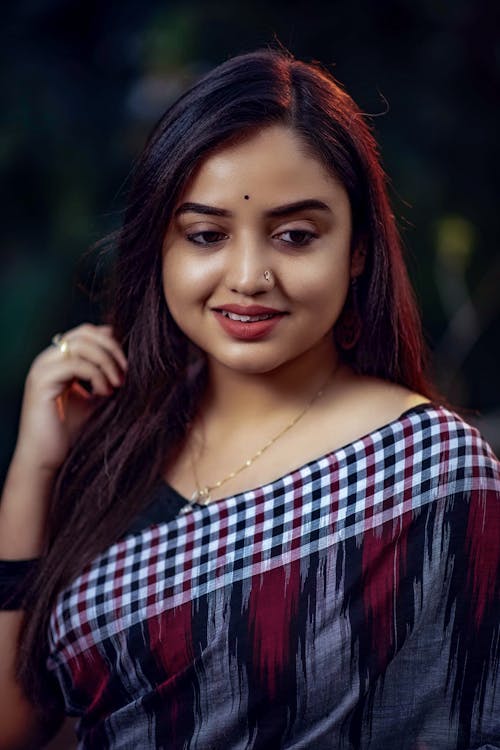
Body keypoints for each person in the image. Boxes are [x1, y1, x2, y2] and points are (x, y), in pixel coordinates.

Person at [0, 48, 498, 750]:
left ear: (357, 250)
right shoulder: (121, 441)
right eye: (205, 235)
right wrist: (34, 469)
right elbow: (14, 727)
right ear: (160, 248)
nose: (249, 276)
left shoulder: (428, 471)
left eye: (296, 236)